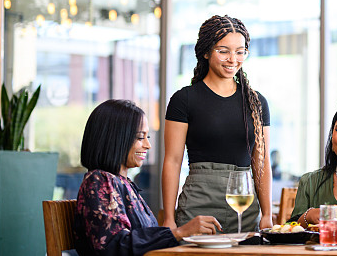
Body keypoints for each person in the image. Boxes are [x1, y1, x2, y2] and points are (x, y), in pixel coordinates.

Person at [162, 15, 273, 233]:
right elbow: (173, 161)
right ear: (205, 52)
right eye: (223, 51)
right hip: (198, 208)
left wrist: (268, 213)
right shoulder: (183, 100)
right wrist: (168, 217)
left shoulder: (257, 103)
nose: (233, 59)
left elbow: (262, 162)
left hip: (245, 207)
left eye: (240, 52)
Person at [74, 99, 221, 256]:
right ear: (114, 137)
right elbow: (114, 245)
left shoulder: (123, 184)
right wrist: (178, 232)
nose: (147, 145)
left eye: (147, 137)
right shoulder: (98, 181)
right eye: (139, 137)